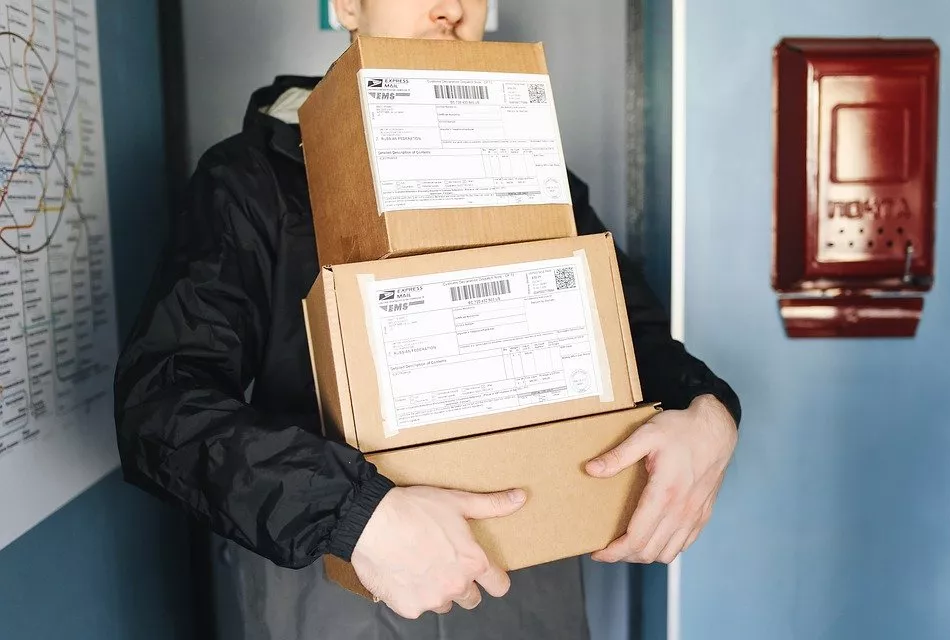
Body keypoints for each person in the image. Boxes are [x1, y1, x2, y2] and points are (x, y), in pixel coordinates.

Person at [113, 0, 741, 637]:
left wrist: (711, 411)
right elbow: (159, 408)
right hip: (340, 576)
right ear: (347, 5)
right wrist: (354, 514)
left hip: (530, 563)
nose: (451, 9)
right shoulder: (252, 182)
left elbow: (636, 341)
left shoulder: (536, 171)